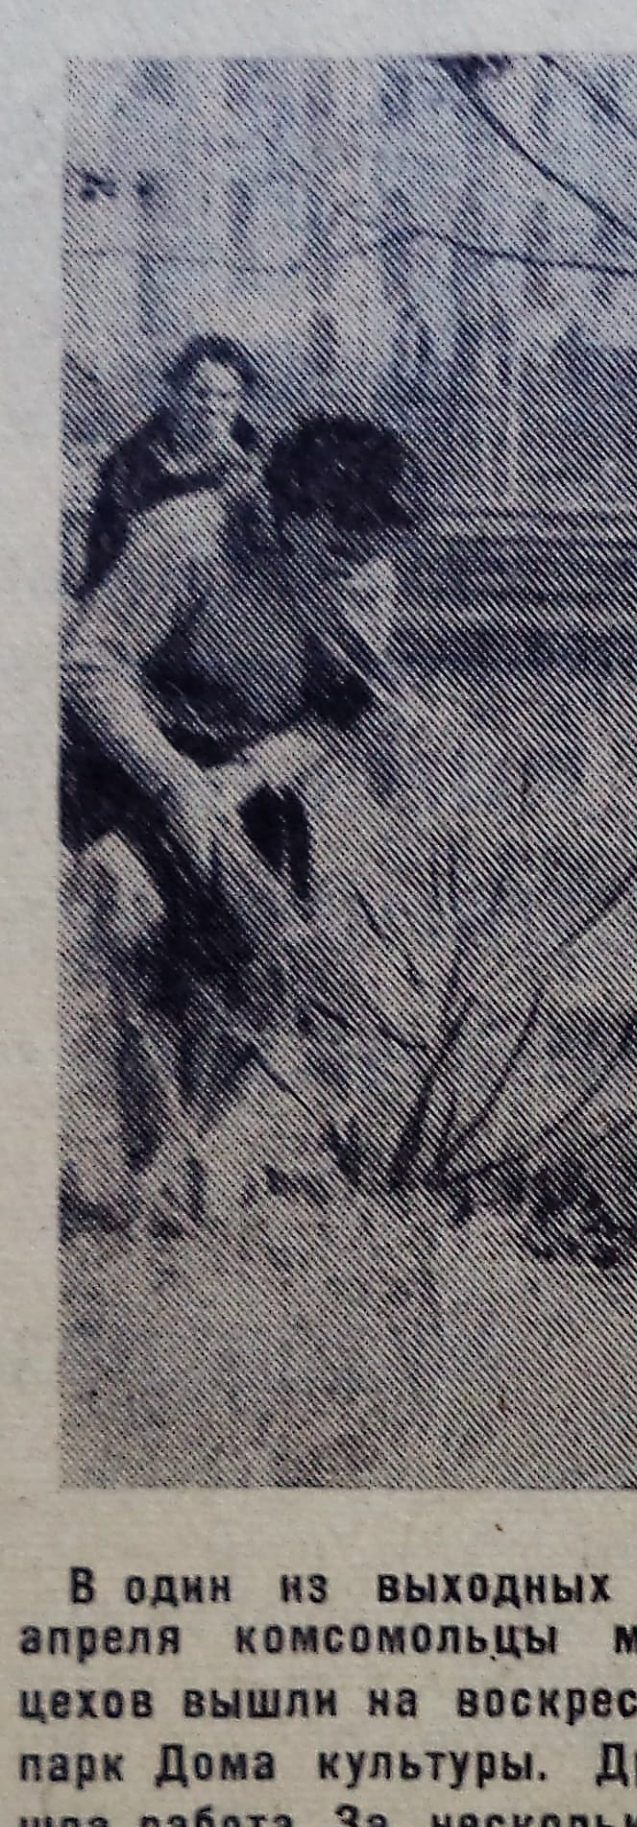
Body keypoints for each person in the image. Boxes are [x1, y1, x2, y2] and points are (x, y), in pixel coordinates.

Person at [61, 413, 421, 1221]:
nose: (353, 573)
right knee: (136, 927)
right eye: (335, 549)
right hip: (124, 759)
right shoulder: (188, 538)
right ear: (283, 505)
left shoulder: (362, 573)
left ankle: (190, 1163)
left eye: (368, 555)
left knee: (256, 970)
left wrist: (246, 776)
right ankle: (147, 1166)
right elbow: (91, 665)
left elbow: (339, 711)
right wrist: (170, 779)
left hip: (247, 775)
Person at [76, 334, 265, 597]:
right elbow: (105, 552)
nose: (212, 407)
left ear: (241, 399)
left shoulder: (258, 458)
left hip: (234, 602)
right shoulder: (132, 464)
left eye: (226, 396)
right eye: (200, 394)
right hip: (147, 597)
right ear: (175, 393)